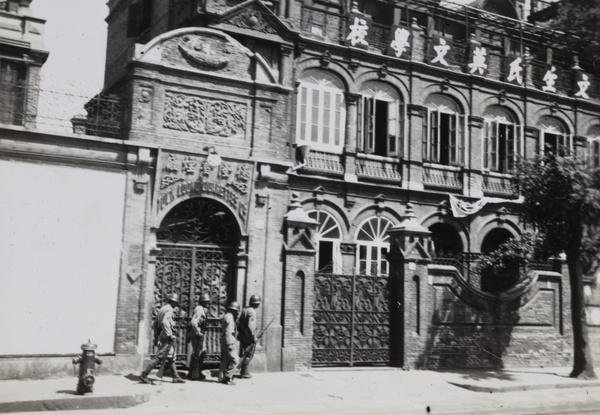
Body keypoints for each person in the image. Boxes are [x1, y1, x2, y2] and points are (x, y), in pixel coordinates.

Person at [140, 293, 186, 384]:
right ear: (172, 302)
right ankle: (144, 374)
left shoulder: (163, 308)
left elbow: (155, 324)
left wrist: (156, 337)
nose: (176, 305)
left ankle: (175, 376)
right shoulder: (169, 309)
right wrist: (169, 335)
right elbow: (165, 322)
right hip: (166, 336)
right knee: (160, 357)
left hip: (163, 335)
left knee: (171, 356)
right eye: (175, 303)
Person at [237, 295, 260, 379]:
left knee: (246, 352)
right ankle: (244, 372)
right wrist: (253, 337)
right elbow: (251, 326)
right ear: (256, 303)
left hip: (242, 335)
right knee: (249, 354)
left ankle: (243, 371)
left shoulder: (244, 309)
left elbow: (239, 322)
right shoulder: (252, 311)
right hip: (248, 336)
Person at [187, 293, 210, 380]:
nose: (208, 303)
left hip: (197, 334)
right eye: (206, 302)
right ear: (203, 302)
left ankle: (195, 371)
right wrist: (198, 332)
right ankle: (193, 373)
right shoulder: (199, 310)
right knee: (197, 353)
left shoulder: (201, 309)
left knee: (200, 352)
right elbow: (193, 322)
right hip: (196, 335)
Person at [219, 301, 240, 385]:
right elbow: (228, 331)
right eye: (236, 311)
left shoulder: (226, 316)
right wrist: (230, 344)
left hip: (224, 340)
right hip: (228, 341)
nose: (237, 312)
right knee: (235, 360)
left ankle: (220, 377)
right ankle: (227, 377)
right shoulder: (230, 318)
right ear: (233, 310)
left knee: (225, 360)